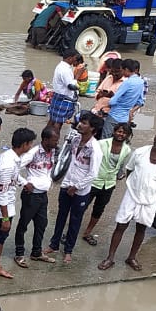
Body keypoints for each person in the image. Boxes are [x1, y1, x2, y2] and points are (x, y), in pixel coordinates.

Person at [99, 127, 156, 272]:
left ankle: (132, 257)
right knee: (121, 226)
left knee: (141, 229)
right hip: (131, 194)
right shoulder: (141, 152)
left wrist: (153, 193)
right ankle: (110, 258)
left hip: (150, 199)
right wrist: (134, 186)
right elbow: (129, 169)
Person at [0, 128, 35, 288]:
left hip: (9, 207)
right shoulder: (7, 164)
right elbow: (2, 195)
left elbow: (16, 176)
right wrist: (4, 218)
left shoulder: (14, 158)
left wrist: (24, 183)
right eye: (30, 143)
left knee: (1, 238)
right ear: (24, 144)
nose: (31, 146)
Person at [45, 113, 103, 263]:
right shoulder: (75, 140)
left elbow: (93, 174)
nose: (80, 125)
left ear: (93, 129)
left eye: (84, 123)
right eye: (81, 122)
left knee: (75, 220)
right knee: (61, 216)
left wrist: (77, 187)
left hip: (81, 190)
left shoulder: (95, 149)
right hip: (67, 183)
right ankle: (54, 244)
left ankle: (68, 250)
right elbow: (66, 160)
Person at [81, 122, 133, 246]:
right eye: (119, 131)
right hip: (94, 180)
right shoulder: (101, 144)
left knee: (99, 210)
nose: (121, 134)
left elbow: (120, 166)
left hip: (109, 184)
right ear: (114, 131)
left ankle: (87, 232)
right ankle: (71, 231)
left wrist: (118, 175)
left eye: (124, 133)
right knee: (81, 206)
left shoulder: (126, 150)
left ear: (127, 135)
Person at [13, 126, 58, 268]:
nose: (57, 143)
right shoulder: (33, 153)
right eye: (54, 140)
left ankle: (36, 252)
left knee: (41, 224)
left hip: (43, 195)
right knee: (23, 224)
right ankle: (19, 253)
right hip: (31, 196)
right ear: (45, 140)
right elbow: (14, 168)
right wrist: (25, 182)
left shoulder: (53, 152)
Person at [103, 60, 144, 139]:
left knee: (106, 138)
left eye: (122, 70)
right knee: (119, 139)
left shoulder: (127, 82)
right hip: (125, 118)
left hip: (115, 114)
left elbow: (113, 101)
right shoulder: (141, 82)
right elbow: (140, 102)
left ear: (127, 70)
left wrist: (109, 102)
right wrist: (131, 111)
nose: (122, 72)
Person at [47, 50, 81, 134]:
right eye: (75, 58)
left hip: (58, 95)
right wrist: (77, 77)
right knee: (58, 122)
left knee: (52, 120)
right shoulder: (65, 70)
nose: (75, 61)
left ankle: (46, 138)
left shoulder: (60, 66)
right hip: (64, 98)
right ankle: (53, 141)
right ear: (70, 58)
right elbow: (70, 86)